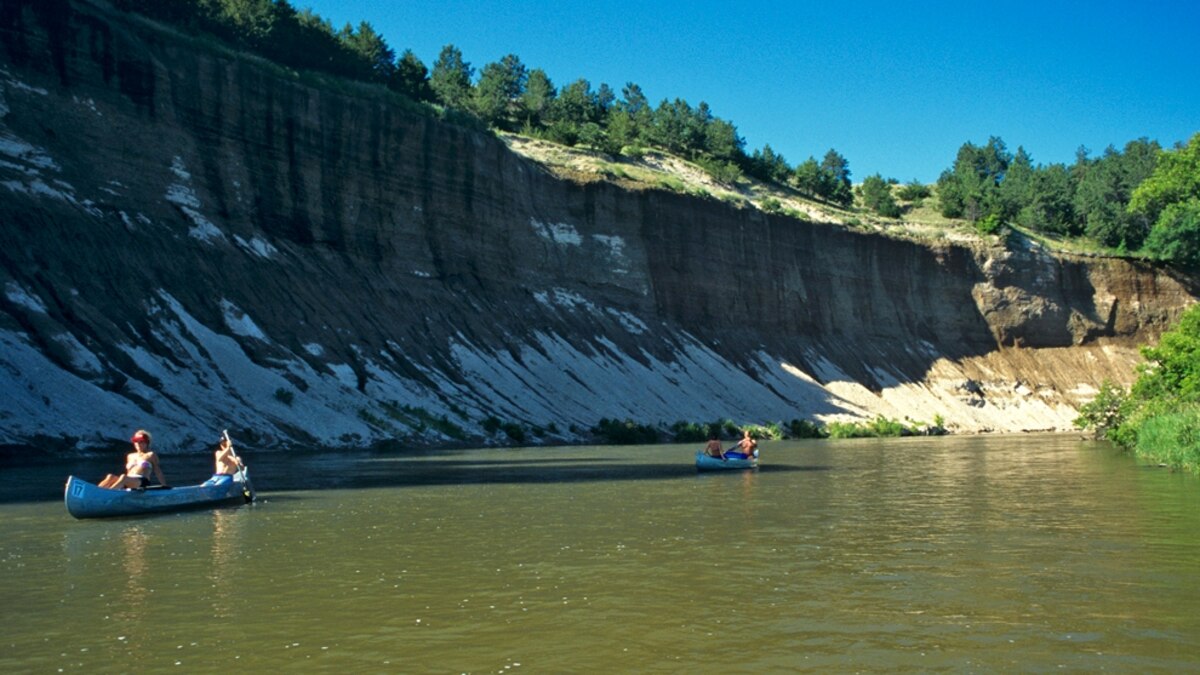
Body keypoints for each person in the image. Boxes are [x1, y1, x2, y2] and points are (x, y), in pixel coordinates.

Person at [98, 429, 168, 490]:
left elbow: (158, 471)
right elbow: (129, 472)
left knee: (123, 477)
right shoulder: (130, 456)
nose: (138, 443)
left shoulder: (151, 455)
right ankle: (97, 492)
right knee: (110, 476)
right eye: (136, 441)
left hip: (142, 481)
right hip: (129, 480)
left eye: (141, 441)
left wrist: (164, 485)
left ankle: (109, 494)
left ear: (147, 443)